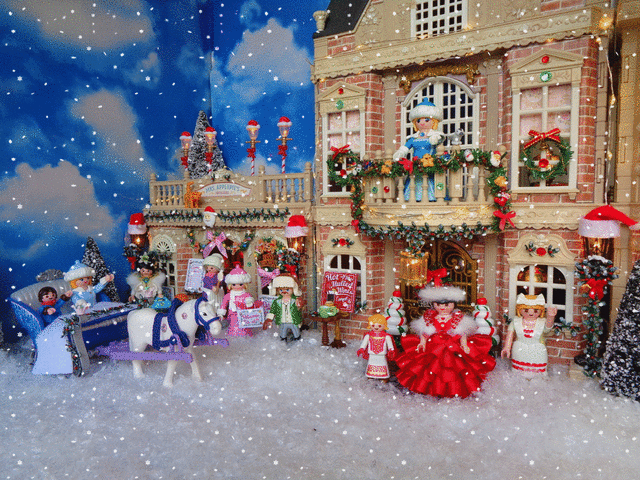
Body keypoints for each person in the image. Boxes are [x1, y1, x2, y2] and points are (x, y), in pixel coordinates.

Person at [394, 285, 495, 398]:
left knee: (455, 367)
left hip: (452, 345)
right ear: (434, 305)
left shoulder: (457, 318)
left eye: (447, 305)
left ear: (453, 304)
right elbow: (425, 332)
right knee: (430, 367)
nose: (442, 307)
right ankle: (433, 390)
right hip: (434, 345)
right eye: (438, 305)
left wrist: (464, 344)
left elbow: (462, 332)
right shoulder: (430, 317)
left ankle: (453, 390)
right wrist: (422, 342)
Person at [393, 99, 444, 202]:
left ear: (434, 121)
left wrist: (435, 139)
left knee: (429, 181)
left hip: (429, 165)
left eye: (427, 120)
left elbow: (438, 141)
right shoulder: (413, 138)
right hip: (416, 166)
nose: (422, 123)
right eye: (419, 120)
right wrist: (400, 153)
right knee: (414, 182)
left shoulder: (435, 135)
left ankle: (431, 197)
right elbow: (405, 147)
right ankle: (414, 197)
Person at [501, 293, 558, 376]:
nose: (531, 313)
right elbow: (510, 334)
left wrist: (550, 317)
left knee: (539, 373)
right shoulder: (515, 322)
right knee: (518, 373)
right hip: (520, 350)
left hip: (538, 351)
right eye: (526, 310)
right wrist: (507, 347)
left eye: (535, 310)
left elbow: (547, 329)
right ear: (520, 310)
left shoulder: (541, 322)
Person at [218, 263, 255, 337]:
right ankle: (234, 335)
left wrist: (249, 303)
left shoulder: (246, 295)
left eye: (240, 284)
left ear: (245, 284)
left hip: (244, 315)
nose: (237, 286)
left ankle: (245, 336)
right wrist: (221, 314)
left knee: (244, 329)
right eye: (234, 284)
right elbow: (223, 305)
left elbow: (250, 303)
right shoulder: (228, 295)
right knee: (233, 327)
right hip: (233, 315)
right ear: (230, 285)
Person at [263, 275, 303, 342]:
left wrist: (299, 304)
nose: (284, 292)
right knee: (282, 334)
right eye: (281, 290)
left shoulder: (295, 300)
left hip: (293, 321)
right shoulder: (277, 301)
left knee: (296, 334)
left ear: (293, 289)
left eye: (287, 289)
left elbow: (300, 306)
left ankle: (297, 341)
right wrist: (269, 319)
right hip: (282, 322)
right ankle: (283, 343)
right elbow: (273, 311)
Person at [357, 314, 396, 381]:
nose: (376, 327)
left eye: (379, 326)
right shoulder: (368, 335)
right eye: (373, 325)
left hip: (382, 355)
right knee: (371, 364)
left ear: (384, 325)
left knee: (382, 364)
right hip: (372, 354)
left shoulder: (386, 336)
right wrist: (362, 348)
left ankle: (383, 377)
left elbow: (390, 345)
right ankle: (370, 376)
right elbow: (364, 343)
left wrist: (391, 350)